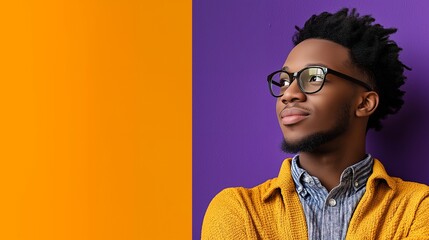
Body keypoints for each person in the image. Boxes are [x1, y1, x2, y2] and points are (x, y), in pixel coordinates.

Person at [201, 8, 429, 239]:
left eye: (313, 78)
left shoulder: (418, 209)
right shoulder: (239, 210)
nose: (288, 94)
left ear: (364, 103)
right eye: (284, 81)